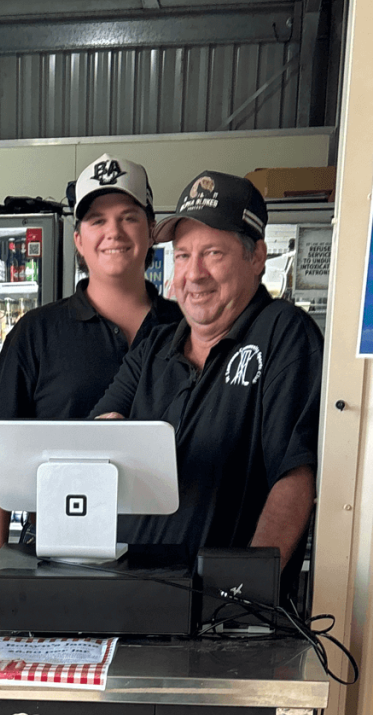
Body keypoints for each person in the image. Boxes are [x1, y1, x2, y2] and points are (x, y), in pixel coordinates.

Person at [91, 171, 322, 581]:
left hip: (219, 613)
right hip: (129, 597)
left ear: (256, 257)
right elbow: (102, 435)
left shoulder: (284, 333)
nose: (193, 274)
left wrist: (244, 594)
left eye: (213, 253)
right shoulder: (155, 345)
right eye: (182, 255)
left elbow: (294, 476)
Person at [0, 154, 181, 559]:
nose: (114, 232)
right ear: (78, 240)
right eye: (97, 220)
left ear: (152, 230)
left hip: (168, 563)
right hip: (56, 558)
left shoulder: (187, 331)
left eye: (128, 216)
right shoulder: (35, 333)